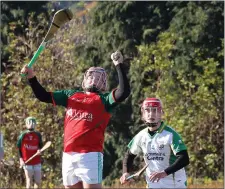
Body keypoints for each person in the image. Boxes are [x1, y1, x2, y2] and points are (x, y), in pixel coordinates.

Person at [20, 51, 130, 188]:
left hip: (90, 155)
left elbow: (123, 92)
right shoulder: (71, 95)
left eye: (98, 78)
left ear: (104, 84)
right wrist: (31, 77)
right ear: (85, 79)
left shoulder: (105, 100)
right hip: (68, 154)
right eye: (90, 76)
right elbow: (43, 96)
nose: (93, 79)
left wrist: (118, 65)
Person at [120, 97, 189, 188]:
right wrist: (125, 172)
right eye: (147, 111)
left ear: (161, 113)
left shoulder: (170, 134)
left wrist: (164, 173)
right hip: (153, 185)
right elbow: (129, 155)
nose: (151, 114)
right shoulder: (141, 136)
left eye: (154, 111)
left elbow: (184, 159)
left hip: (175, 185)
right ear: (143, 114)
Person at [17, 117, 43, 189]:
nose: (31, 124)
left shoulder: (38, 135)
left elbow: (40, 146)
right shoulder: (22, 135)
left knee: (38, 182)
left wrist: (39, 150)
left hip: (37, 161)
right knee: (29, 181)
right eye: (29, 122)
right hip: (27, 162)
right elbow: (18, 148)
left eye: (33, 122)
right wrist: (21, 159)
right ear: (26, 124)